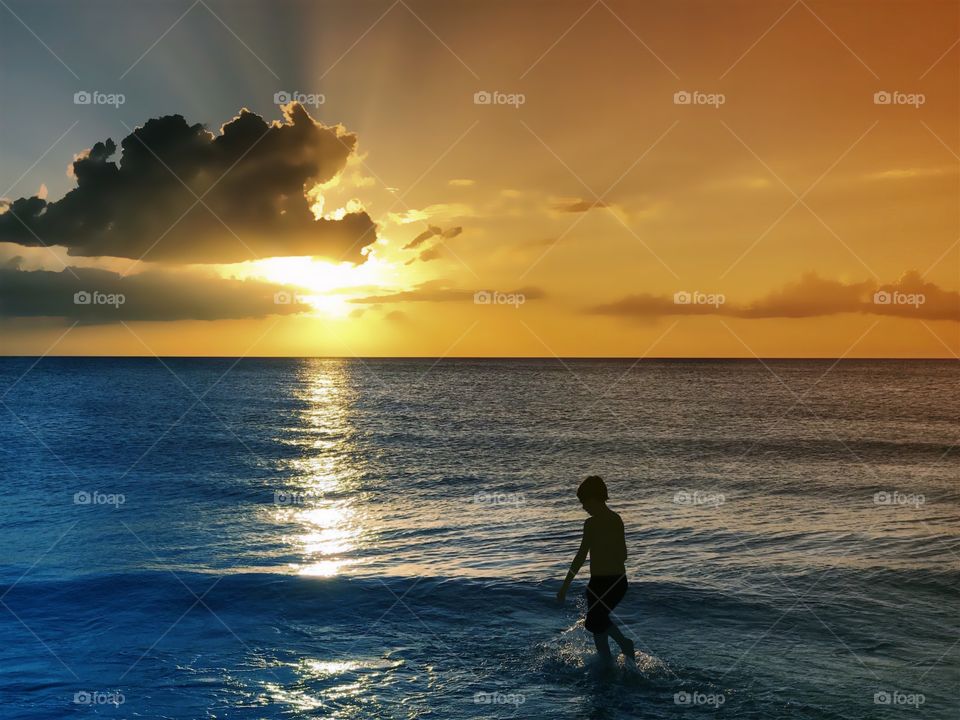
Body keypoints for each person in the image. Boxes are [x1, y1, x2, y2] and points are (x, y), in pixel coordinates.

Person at [556, 475, 634, 664]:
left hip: (615, 581)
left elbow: (623, 554)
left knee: (594, 621)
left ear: (596, 498)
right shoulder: (590, 524)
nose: (583, 507)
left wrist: (606, 548)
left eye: (585, 502)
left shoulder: (615, 520)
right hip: (596, 583)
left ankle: (625, 644)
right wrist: (565, 586)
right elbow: (581, 556)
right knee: (597, 628)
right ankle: (607, 664)